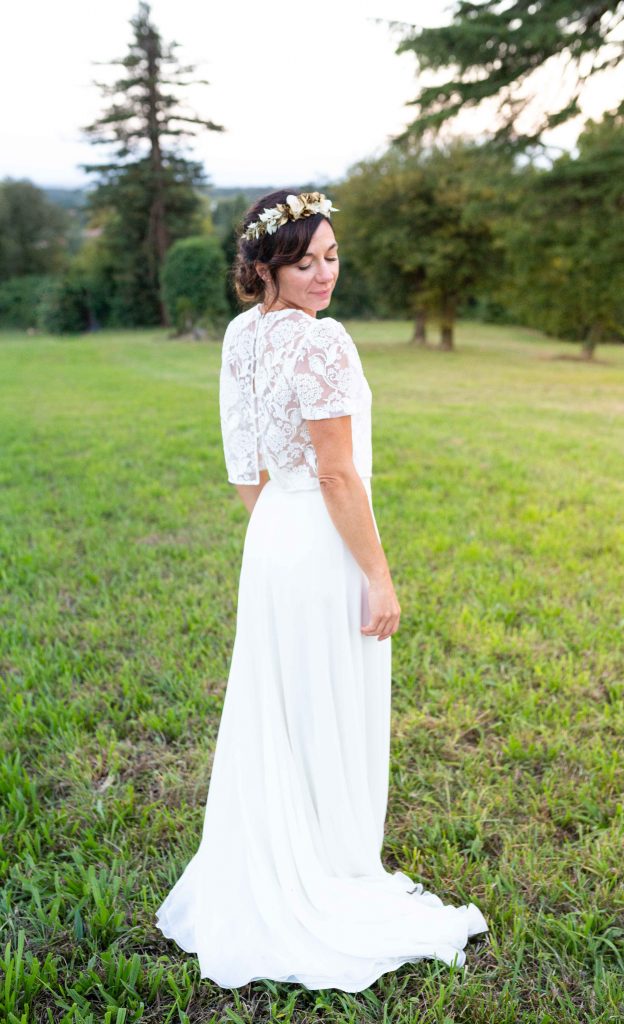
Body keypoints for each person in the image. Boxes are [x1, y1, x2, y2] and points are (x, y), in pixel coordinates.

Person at [154, 189, 488, 991]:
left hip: (270, 538)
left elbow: (244, 464)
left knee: (281, 701)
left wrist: (277, 526)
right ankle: (331, 868)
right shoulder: (324, 345)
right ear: (265, 266)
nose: (323, 274)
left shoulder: (241, 337)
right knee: (328, 699)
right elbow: (336, 472)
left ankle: (294, 850)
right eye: (305, 262)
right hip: (320, 543)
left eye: (331, 256)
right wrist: (378, 574)